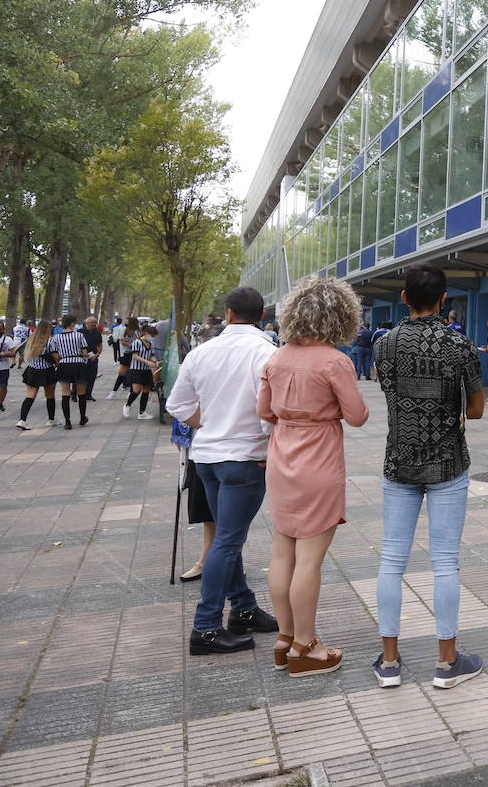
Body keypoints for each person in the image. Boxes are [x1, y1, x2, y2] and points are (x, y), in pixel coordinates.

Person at [372, 265, 486, 689]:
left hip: (398, 461)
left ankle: (389, 662)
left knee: (391, 560)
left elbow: (390, 392)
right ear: (444, 299)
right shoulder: (460, 345)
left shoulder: (385, 344)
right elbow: (475, 410)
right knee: (444, 563)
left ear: (403, 298)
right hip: (448, 464)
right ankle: (446, 662)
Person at [259, 277, 370, 677]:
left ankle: (285, 639)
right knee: (310, 559)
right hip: (319, 458)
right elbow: (357, 416)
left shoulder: (276, 358)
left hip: (282, 456)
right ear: (341, 316)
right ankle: (307, 647)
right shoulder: (335, 361)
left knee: (282, 551)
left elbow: (265, 412)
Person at [165, 287, 281, 656]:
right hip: (246, 458)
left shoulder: (201, 352)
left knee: (227, 539)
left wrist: (210, 426)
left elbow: (177, 405)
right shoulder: (268, 353)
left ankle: (243, 608)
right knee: (228, 541)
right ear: (261, 316)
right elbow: (271, 411)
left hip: (208, 458)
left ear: (228, 314)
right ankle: (206, 627)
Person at [47, 315, 91, 429]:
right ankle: (82, 418)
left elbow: (54, 353)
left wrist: (61, 358)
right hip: (78, 364)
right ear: (72, 323)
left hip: (64, 364)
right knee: (81, 393)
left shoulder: (55, 338)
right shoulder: (79, 335)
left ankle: (67, 421)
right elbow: (85, 352)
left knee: (65, 393)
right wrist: (82, 355)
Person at [14, 320, 58, 430]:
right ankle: (51, 420)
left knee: (30, 395)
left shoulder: (31, 340)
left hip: (32, 370)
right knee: (50, 395)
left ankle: (22, 420)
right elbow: (55, 356)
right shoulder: (50, 341)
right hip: (47, 370)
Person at [177, 458, 215, 583]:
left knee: (230, 515)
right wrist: (180, 438)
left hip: (236, 455)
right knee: (206, 510)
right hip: (201, 454)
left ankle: (232, 562)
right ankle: (205, 561)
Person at [122, 325, 159, 420]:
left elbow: (152, 355)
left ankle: (142, 412)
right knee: (136, 390)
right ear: (146, 333)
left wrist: (155, 361)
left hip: (146, 370)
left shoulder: (150, 344)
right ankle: (127, 405)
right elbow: (135, 356)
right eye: (152, 335)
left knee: (146, 390)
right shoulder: (137, 342)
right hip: (136, 370)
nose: (152, 337)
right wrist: (147, 362)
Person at [109, 317, 139, 400]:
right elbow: (122, 342)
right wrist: (128, 343)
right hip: (126, 354)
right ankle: (113, 392)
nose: (126, 323)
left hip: (135, 354)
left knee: (133, 374)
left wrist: (128, 343)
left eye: (128, 321)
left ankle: (130, 392)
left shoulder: (137, 332)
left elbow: (139, 342)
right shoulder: (125, 329)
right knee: (121, 373)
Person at [80, 316, 103, 402]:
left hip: (93, 357)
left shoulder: (97, 332)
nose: (94, 324)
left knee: (92, 376)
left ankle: (88, 394)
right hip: (82, 358)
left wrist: (97, 354)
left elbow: (100, 345)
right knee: (81, 377)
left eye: (95, 322)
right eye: (92, 322)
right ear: (87, 323)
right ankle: (74, 393)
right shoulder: (80, 332)